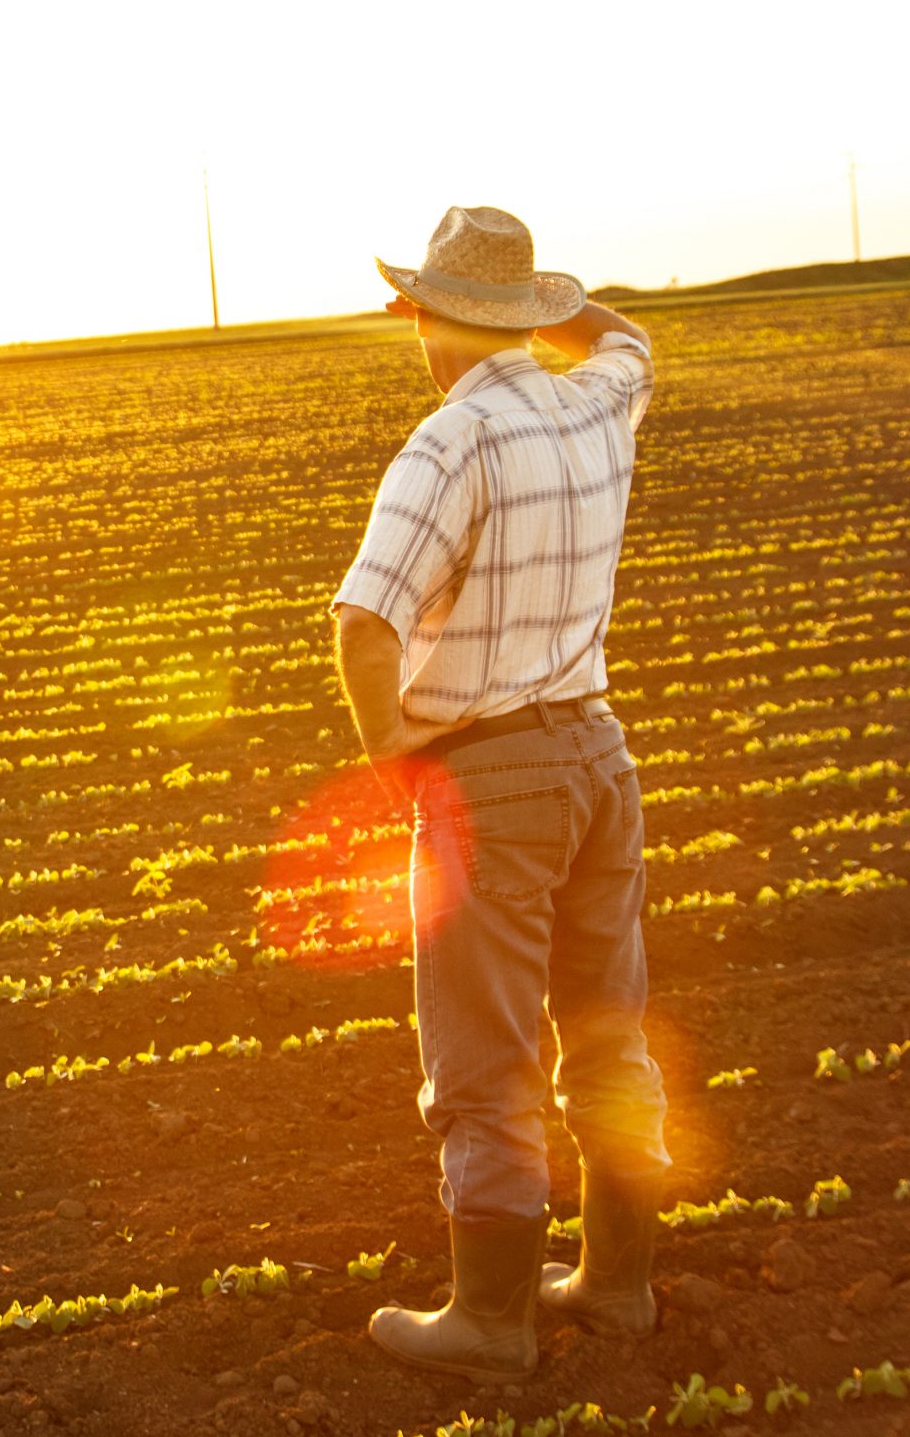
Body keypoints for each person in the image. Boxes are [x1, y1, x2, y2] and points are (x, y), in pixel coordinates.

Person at [329, 205, 673, 1384]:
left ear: (422, 315)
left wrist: (396, 763)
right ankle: (618, 1285)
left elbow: (365, 624)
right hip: (597, 761)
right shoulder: (597, 394)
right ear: (523, 313)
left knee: (482, 1054)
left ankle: (489, 1317)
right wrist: (537, 304)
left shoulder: (450, 438)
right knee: (607, 1033)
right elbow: (627, 335)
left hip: (493, 775)